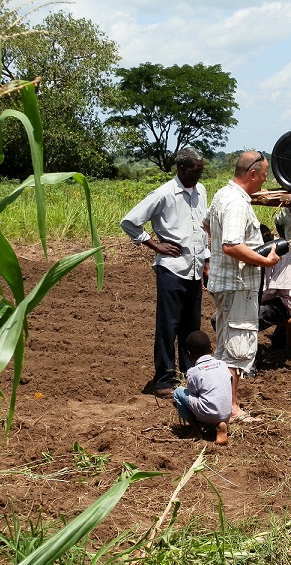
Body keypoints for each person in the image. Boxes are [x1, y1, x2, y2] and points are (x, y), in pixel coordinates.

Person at [119, 147, 209, 398]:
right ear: (181, 168)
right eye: (194, 171)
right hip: (172, 269)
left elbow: (201, 229)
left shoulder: (201, 191)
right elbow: (129, 222)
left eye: (200, 171)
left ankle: (190, 375)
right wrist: (155, 245)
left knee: (191, 327)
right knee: (168, 327)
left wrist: (206, 260)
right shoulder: (164, 194)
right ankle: (164, 380)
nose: (198, 176)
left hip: (194, 269)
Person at [206, 151, 281, 423]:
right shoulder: (237, 203)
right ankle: (231, 408)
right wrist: (264, 260)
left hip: (224, 282)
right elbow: (231, 245)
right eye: (263, 175)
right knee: (237, 348)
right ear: (252, 174)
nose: (265, 181)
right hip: (237, 286)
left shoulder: (221, 195)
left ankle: (220, 402)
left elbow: (208, 226)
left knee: (225, 345)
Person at [172, 331, 231, 445]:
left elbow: (193, 392)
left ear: (190, 355)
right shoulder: (223, 364)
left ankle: (196, 431)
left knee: (179, 392)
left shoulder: (193, 372)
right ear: (211, 349)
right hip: (227, 414)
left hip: (208, 414)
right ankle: (220, 425)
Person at [258, 224, 291, 349]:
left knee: (247, 318)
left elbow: (273, 292)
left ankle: (251, 354)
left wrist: (249, 303)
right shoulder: (261, 255)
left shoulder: (284, 257)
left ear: (272, 237)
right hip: (267, 299)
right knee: (219, 318)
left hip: (283, 303)